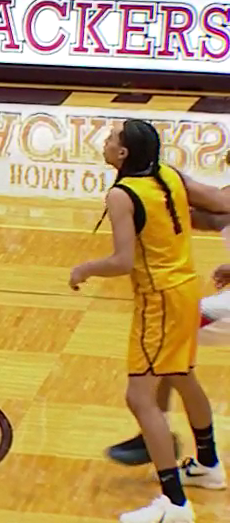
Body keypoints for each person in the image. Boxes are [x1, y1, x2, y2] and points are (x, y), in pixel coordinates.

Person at [70, 120, 230, 523]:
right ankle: (209, 466)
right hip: (185, 289)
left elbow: (122, 261)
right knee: (181, 376)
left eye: (111, 139)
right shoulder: (168, 174)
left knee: (140, 398)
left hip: (158, 301)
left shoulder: (122, 194)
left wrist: (84, 268)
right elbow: (219, 201)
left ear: (123, 154)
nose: (104, 142)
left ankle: (174, 504)